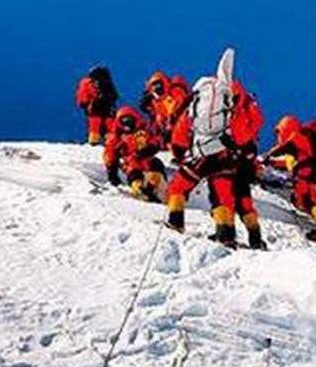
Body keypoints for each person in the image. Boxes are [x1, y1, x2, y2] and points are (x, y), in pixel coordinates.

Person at [165, 49, 264, 249]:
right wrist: (245, 151)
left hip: (201, 154)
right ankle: (226, 235)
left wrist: (178, 152)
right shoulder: (233, 106)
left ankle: (175, 223)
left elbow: (181, 130)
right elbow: (246, 131)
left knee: (178, 186)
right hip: (227, 156)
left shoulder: (196, 107)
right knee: (223, 195)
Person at [264, 115, 316, 243]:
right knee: (312, 202)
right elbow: (290, 162)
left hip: (303, 174)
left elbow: (284, 147)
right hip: (309, 173)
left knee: (304, 201)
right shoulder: (304, 142)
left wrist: (268, 155)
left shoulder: (297, 136)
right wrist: (273, 163)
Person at [104, 106, 167, 201]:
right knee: (134, 172)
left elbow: (155, 140)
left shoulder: (143, 131)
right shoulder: (117, 137)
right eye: (123, 122)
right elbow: (109, 151)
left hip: (147, 159)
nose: (127, 125)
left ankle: (156, 187)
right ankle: (139, 189)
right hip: (131, 162)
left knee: (156, 165)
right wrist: (111, 169)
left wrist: (151, 147)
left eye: (129, 121)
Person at [139, 70, 189, 141]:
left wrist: (171, 121)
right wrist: (147, 108)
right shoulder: (157, 104)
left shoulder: (175, 91)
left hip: (184, 126)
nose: (157, 89)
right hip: (171, 136)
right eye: (154, 87)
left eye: (158, 85)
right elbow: (157, 121)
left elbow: (181, 104)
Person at [75, 65, 118, 145]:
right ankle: (111, 141)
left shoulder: (86, 82)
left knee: (95, 123)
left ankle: (94, 141)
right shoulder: (108, 82)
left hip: (95, 106)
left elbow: (82, 96)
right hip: (107, 106)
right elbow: (114, 95)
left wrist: (85, 105)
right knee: (109, 123)